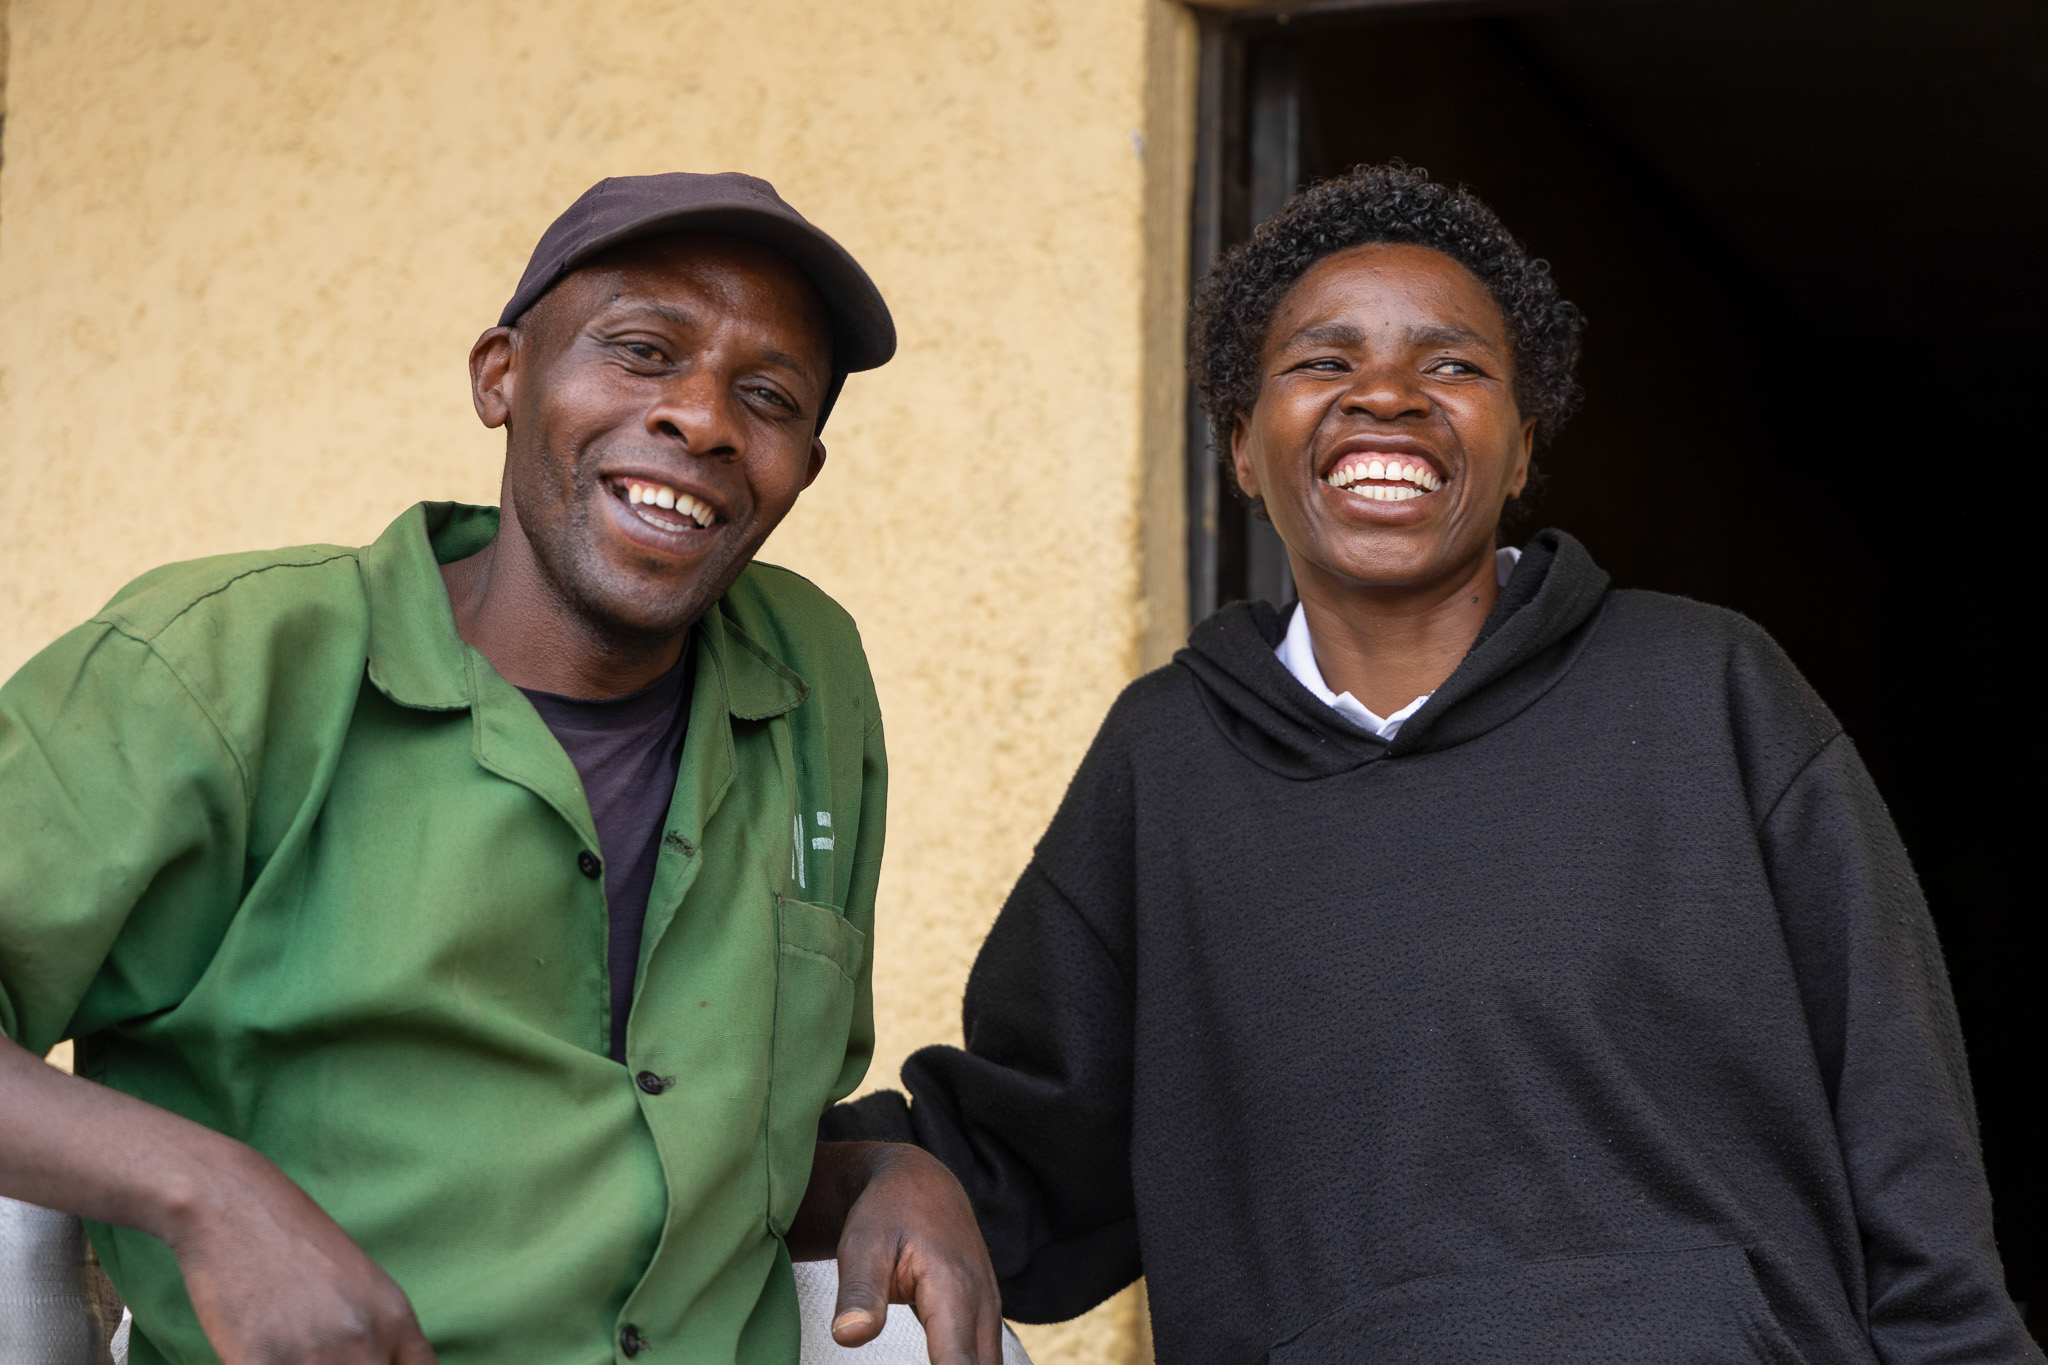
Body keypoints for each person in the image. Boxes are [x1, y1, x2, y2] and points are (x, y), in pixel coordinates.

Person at [825, 163, 2042, 1363]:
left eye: (1451, 365)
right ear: (1243, 450)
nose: (1387, 396)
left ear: (1518, 453)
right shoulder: (1167, 763)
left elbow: (1901, 1127)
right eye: (1322, 362)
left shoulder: (1708, 689)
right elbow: (1037, 1152)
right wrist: (854, 1164)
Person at [0, 172, 1002, 1365]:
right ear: (501, 376)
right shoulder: (219, 665)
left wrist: (889, 1170)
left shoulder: (807, 677)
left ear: (802, 468)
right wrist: (207, 1194)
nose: (701, 418)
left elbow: (686, 1140)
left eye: (768, 396)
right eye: (640, 351)